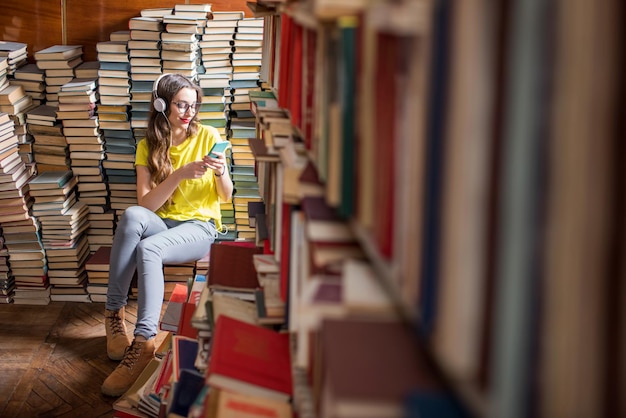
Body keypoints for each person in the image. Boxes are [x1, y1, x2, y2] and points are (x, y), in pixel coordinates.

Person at [101, 73, 233, 397]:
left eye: (193, 105)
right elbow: (146, 204)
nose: (188, 112)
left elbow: (226, 197)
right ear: (162, 105)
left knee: (149, 249)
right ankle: (113, 315)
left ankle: (144, 341)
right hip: (164, 222)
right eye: (180, 105)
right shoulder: (148, 146)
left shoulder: (209, 135)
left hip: (199, 227)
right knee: (133, 215)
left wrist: (221, 171)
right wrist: (179, 175)